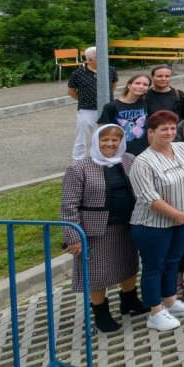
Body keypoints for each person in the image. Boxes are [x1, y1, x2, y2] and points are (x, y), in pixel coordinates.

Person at [60, 124, 142, 332]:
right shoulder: (79, 168)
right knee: (97, 273)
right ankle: (101, 313)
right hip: (95, 231)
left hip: (127, 224)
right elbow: (69, 205)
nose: (110, 144)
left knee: (128, 263)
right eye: (104, 140)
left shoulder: (129, 160)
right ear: (96, 141)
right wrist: (73, 237)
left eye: (115, 140)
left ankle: (129, 300)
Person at [127, 110, 184, 332]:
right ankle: (155, 311)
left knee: (173, 260)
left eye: (172, 128)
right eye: (164, 129)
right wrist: (177, 214)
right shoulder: (142, 162)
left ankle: (171, 301)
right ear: (151, 132)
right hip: (152, 225)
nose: (170, 132)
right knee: (154, 266)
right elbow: (148, 197)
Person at [67, 47, 118, 161]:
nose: (104, 59)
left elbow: (114, 85)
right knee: (82, 136)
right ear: (90, 59)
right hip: (87, 109)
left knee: (106, 136)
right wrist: (84, 100)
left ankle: (103, 158)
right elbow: (71, 91)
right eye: (99, 57)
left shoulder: (110, 70)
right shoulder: (78, 73)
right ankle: (78, 161)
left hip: (106, 109)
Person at [98, 73, 151, 155]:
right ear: (129, 85)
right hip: (120, 151)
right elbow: (102, 130)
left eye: (145, 85)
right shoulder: (111, 106)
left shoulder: (145, 102)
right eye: (137, 83)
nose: (141, 86)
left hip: (143, 150)